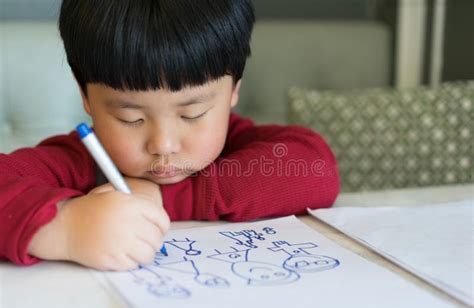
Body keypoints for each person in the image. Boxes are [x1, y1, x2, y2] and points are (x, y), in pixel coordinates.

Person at [0, 0, 339, 271]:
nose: (163, 144)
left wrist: (163, 197)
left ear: (234, 88)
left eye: (191, 114)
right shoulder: (76, 162)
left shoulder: (238, 146)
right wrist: (66, 229)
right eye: (130, 118)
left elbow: (316, 168)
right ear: (86, 96)